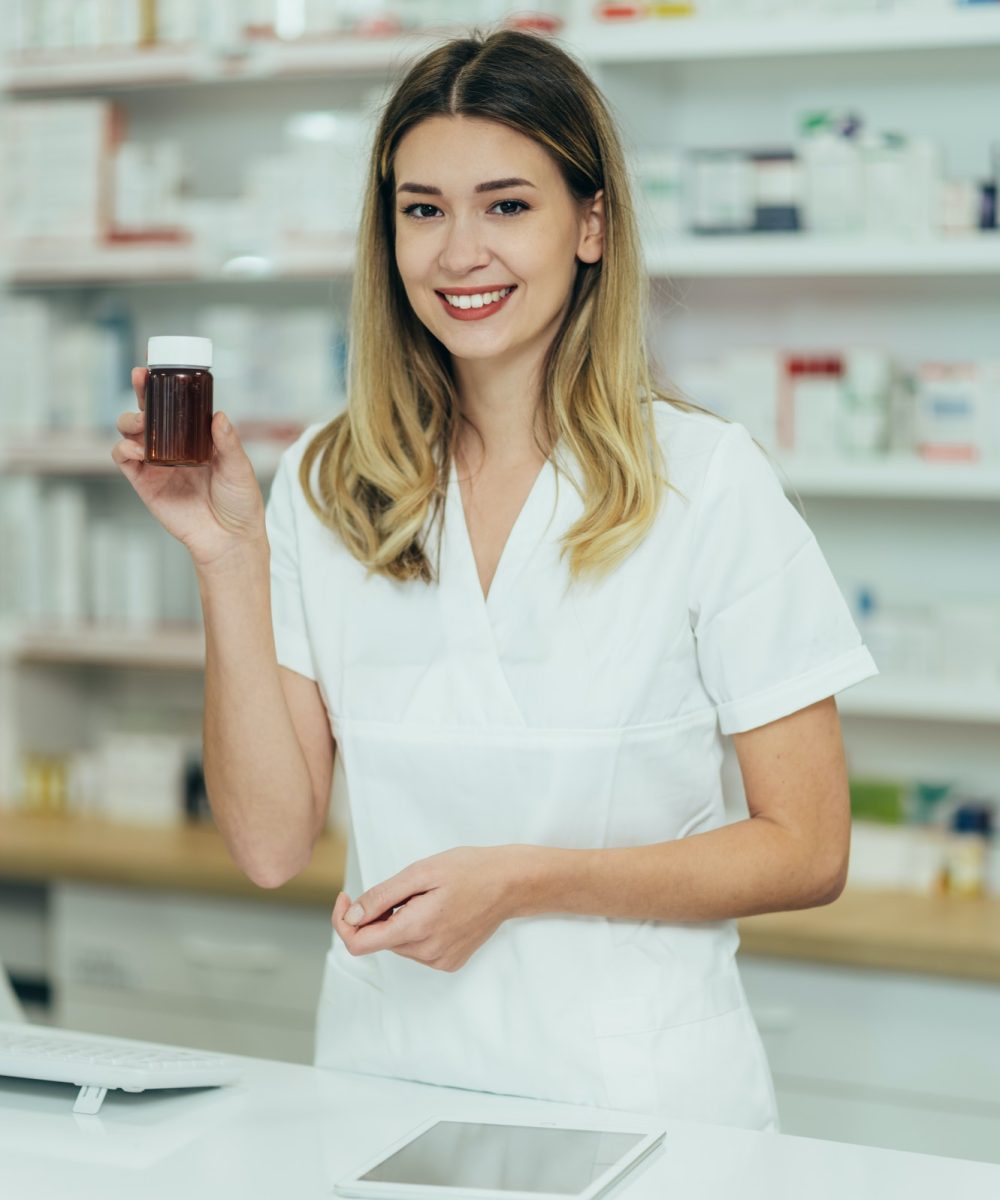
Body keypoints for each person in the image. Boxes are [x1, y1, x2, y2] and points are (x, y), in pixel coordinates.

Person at [113, 28, 877, 1131]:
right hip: (384, 1091)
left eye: (507, 205)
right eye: (423, 210)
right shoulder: (332, 478)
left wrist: (524, 881)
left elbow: (809, 846)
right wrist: (227, 560)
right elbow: (272, 845)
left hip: (642, 1106)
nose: (459, 251)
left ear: (592, 225)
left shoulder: (705, 481)